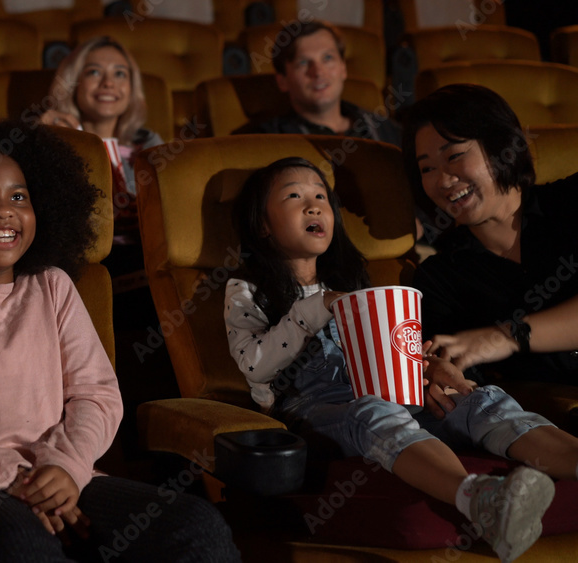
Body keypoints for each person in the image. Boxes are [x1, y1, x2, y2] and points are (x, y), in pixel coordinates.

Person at [0, 109, 240, 562]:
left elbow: (96, 395)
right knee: (23, 548)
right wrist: (19, 479)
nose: (4, 211)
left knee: (197, 525)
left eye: (19, 196)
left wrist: (65, 468)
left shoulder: (53, 286)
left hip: (70, 477)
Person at [224, 156, 578, 562]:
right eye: (294, 196)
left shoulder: (352, 285)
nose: (314, 205)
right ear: (263, 224)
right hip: (317, 409)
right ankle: (482, 501)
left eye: (321, 196)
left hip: (391, 393)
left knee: (477, 397)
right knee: (371, 410)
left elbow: (391, 352)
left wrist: (429, 369)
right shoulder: (246, 289)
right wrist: (314, 308)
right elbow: (253, 365)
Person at [405, 84, 578, 387]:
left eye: (455, 155)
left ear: (500, 146)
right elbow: (456, 379)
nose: (444, 180)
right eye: (427, 168)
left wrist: (507, 336)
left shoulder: (570, 201)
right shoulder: (440, 279)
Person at [232, 20, 401, 147]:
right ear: (282, 81)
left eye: (327, 58)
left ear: (343, 68)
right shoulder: (265, 140)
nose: (318, 72)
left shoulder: (385, 129)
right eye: (303, 63)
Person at [39, 35, 163, 203]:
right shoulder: (52, 140)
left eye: (119, 73)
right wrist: (39, 141)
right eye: (94, 72)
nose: (108, 83)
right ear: (73, 83)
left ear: (132, 88)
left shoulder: (150, 145)